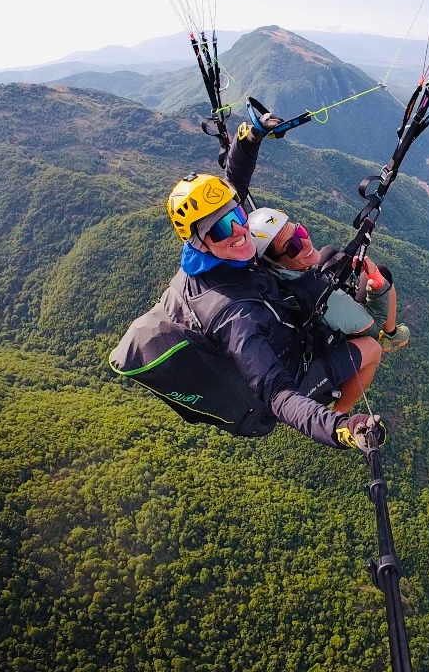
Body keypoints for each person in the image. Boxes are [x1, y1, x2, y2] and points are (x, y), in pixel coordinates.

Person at [158, 114, 384, 451]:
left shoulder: (221, 251)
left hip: (279, 328)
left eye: (236, 217)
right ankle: (342, 407)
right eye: (221, 229)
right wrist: (341, 429)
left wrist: (250, 138)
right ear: (200, 244)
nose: (238, 230)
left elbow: (233, 183)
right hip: (283, 380)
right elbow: (277, 392)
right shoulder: (232, 315)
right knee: (372, 348)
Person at [247, 207, 410, 352]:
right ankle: (391, 336)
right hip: (331, 328)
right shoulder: (329, 299)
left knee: (329, 252)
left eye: (300, 232)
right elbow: (373, 328)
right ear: (275, 262)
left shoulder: (264, 273)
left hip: (300, 293)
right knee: (383, 273)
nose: (306, 242)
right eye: (293, 247)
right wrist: (377, 284)